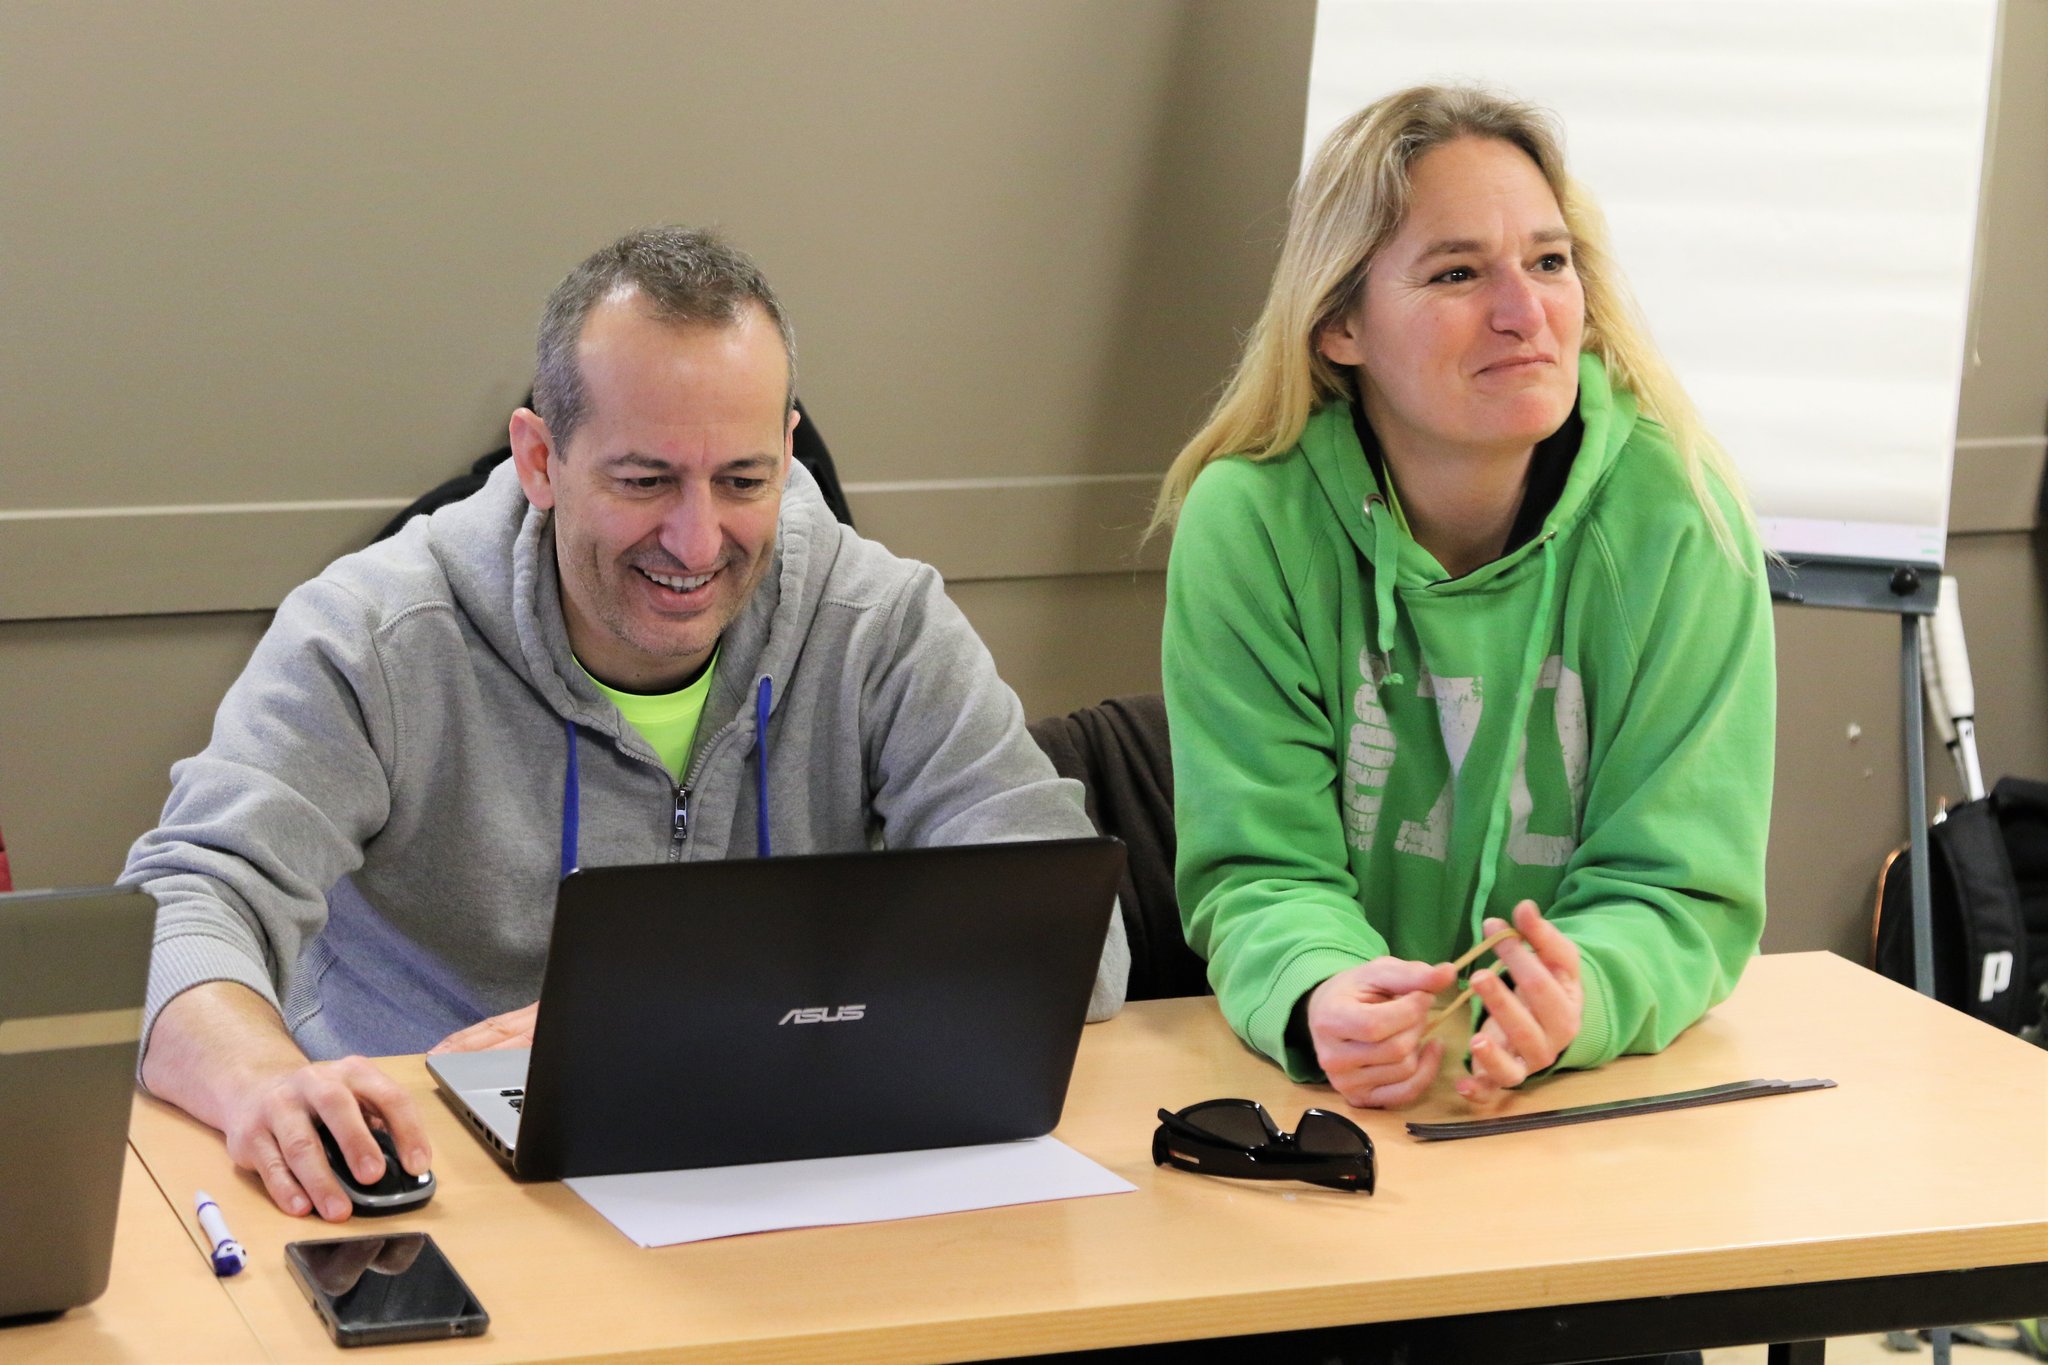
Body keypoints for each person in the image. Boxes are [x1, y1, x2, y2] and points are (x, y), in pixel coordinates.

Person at [126, 226, 1129, 1221]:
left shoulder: (880, 622)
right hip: (437, 1177)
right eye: (645, 481)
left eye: (743, 480)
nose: (696, 541)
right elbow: (182, 905)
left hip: (770, 1152)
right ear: (540, 460)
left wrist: (670, 1024)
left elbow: (1070, 947)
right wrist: (262, 1081)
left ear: (787, 453)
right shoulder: (374, 634)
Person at [1154, 86, 1774, 1111]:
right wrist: (1320, 989)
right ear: (1338, 325)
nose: (1524, 314)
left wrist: (1576, 995)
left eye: (1549, 262)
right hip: (1344, 1105)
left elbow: (1678, 885)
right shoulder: (1250, 519)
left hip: (1584, 1099)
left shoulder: (1682, 516)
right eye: (1456, 273)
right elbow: (1260, 870)